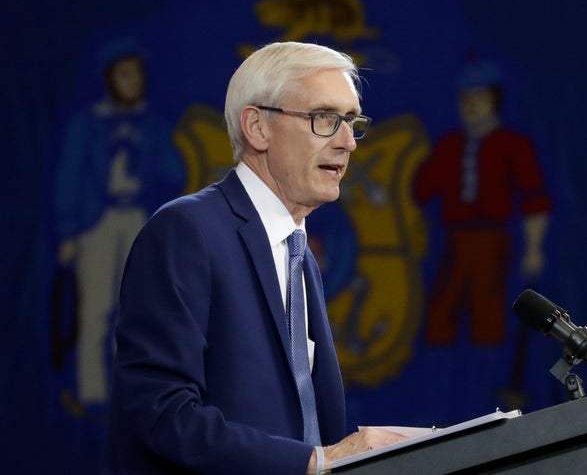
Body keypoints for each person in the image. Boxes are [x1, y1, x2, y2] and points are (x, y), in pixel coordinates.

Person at [103, 41, 406, 474]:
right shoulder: (187, 232)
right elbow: (161, 413)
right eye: (325, 119)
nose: (347, 143)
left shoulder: (297, 251)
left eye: (352, 122)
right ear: (258, 127)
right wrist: (314, 462)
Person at [53, 38, 185, 415]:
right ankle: (92, 393)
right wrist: (67, 230)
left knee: (134, 311)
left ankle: (127, 395)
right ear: (110, 78)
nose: (133, 81)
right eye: (125, 74)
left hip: (137, 219)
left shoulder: (152, 126)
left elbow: (173, 172)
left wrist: (149, 147)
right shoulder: (87, 124)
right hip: (97, 222)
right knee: (95, 307)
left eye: (137, 74)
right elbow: (69, 177)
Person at [414, 60, 552, 346]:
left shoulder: (513, 145)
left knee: (488, 310)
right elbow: (421, 191)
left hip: (492, 238)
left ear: (494, 100)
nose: (472, 106)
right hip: (453, 239)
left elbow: (534, 199)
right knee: (441, 309)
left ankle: (486, 376)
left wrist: (534, 248)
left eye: (480, 98)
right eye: (466, 99)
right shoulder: (449, 146)